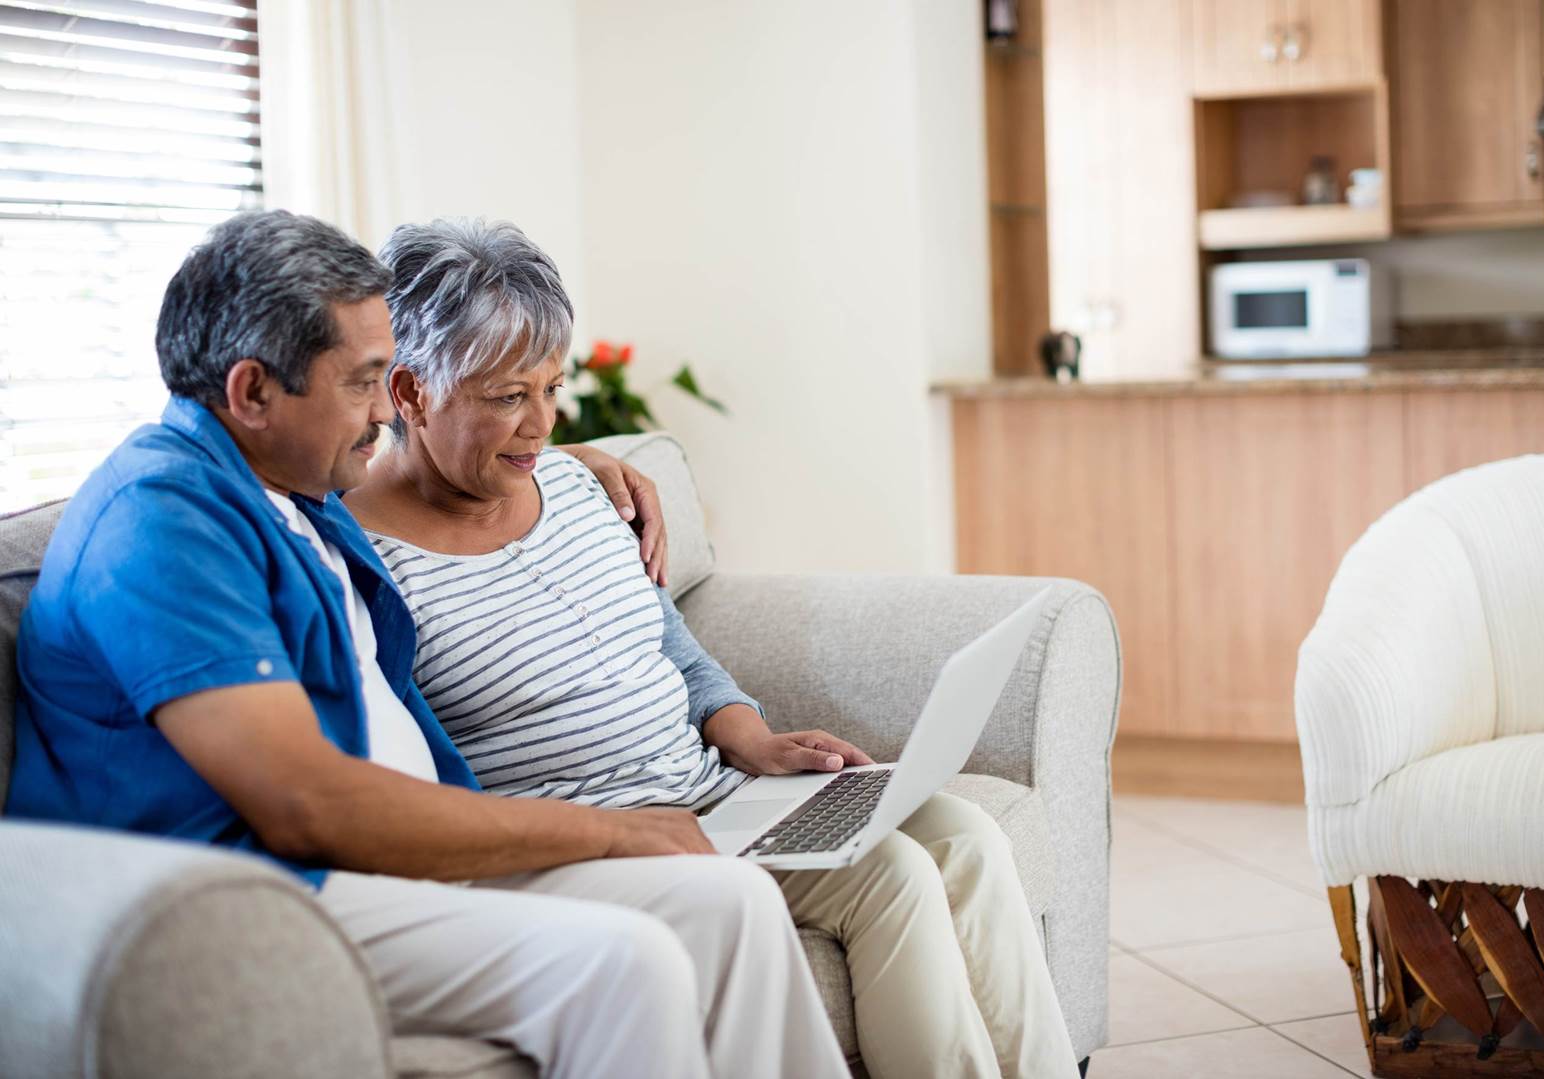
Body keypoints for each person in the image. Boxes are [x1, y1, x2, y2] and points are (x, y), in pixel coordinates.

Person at [5, 210, 848, 1079]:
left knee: (734, 904)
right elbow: (307, 806)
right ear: (253, 392)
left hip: (400, 860)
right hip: (258, 892)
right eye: (367, 382)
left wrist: (560, 456)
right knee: (626, 962)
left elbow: (458, 470)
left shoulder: (290, 482)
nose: (388, 411)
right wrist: (602, 831)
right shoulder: (163, 523)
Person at [341, 218, 1083, 1079]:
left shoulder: (579, 485)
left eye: (552, 388)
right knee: (893, 876)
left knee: (965, 834)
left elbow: (667, 641)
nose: (540, 424)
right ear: (411, 391)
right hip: (595, 839)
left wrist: (749, 732)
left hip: (714, 793)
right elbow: (420, 779)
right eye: (508, 396)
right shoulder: (364, 565)